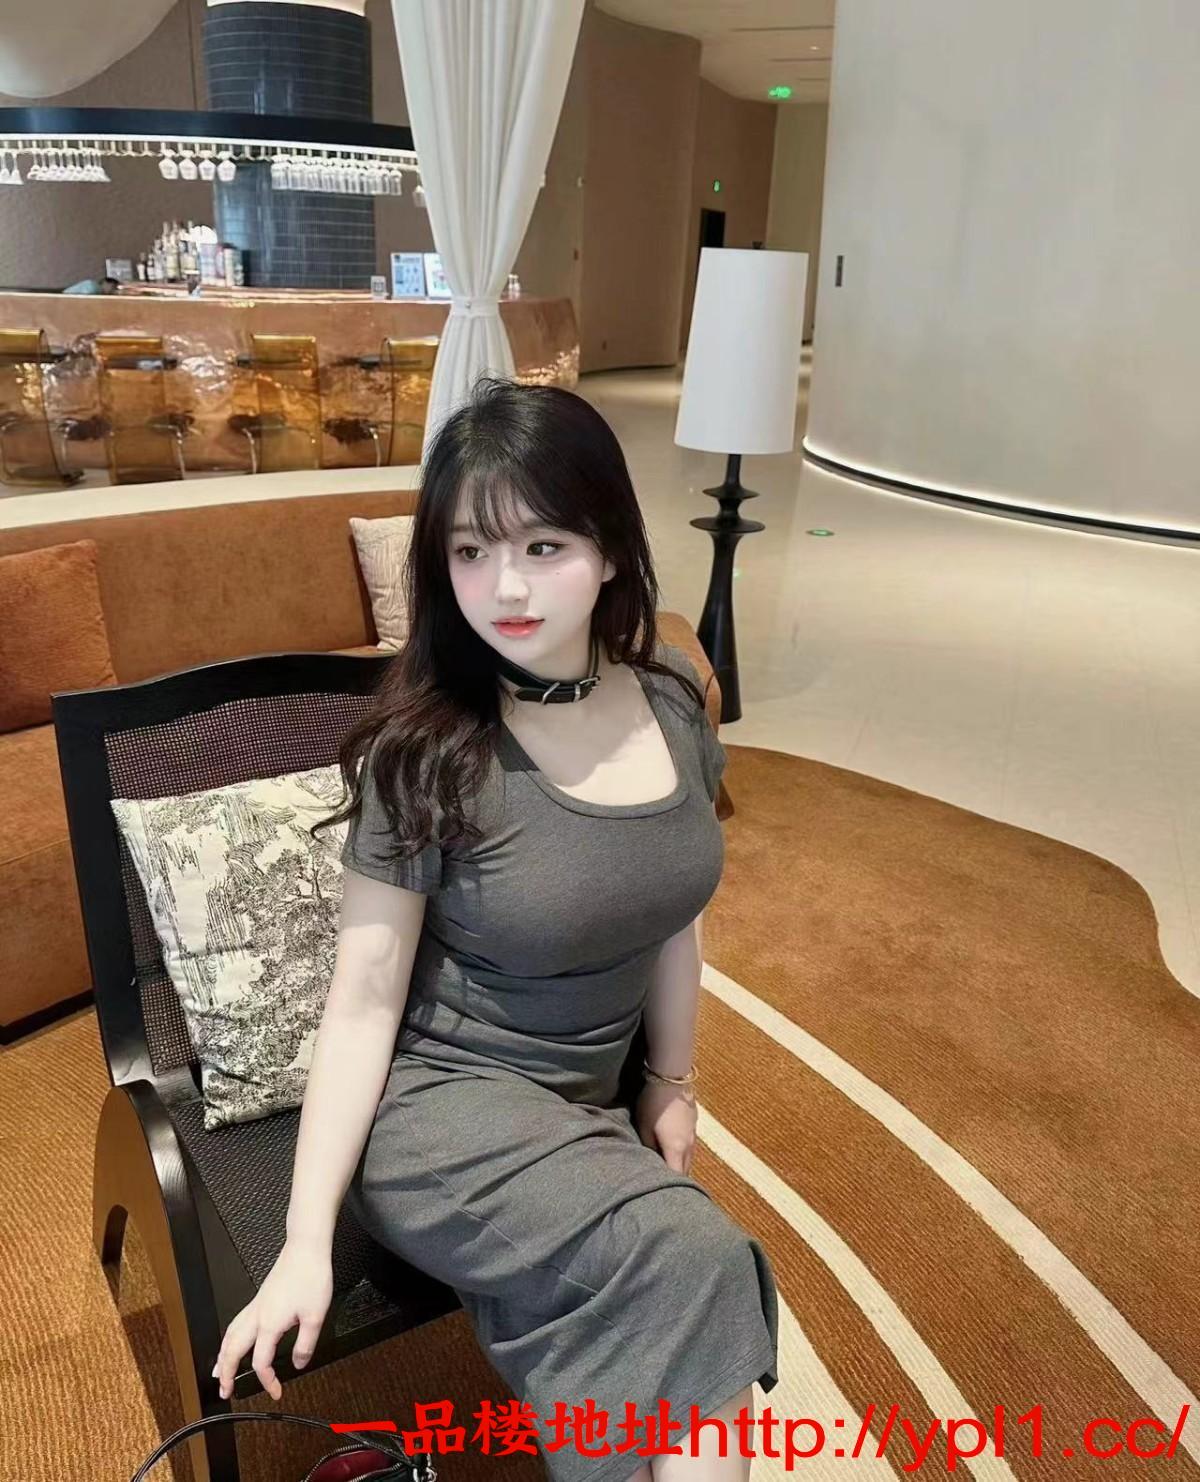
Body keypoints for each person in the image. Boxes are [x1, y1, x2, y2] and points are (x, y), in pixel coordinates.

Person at [211, 376, 780, 1482]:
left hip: (590, 1102)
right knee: (693, 1258)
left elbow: (673, 919)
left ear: (610, 550)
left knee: (671, 1305)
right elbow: (362, 1004)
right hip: (442, 1112)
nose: (504, 587)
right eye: (470, 552)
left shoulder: (672, 699)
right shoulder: (428, 752)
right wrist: (304, 1242)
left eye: (543, 545)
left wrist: (672, 1081)